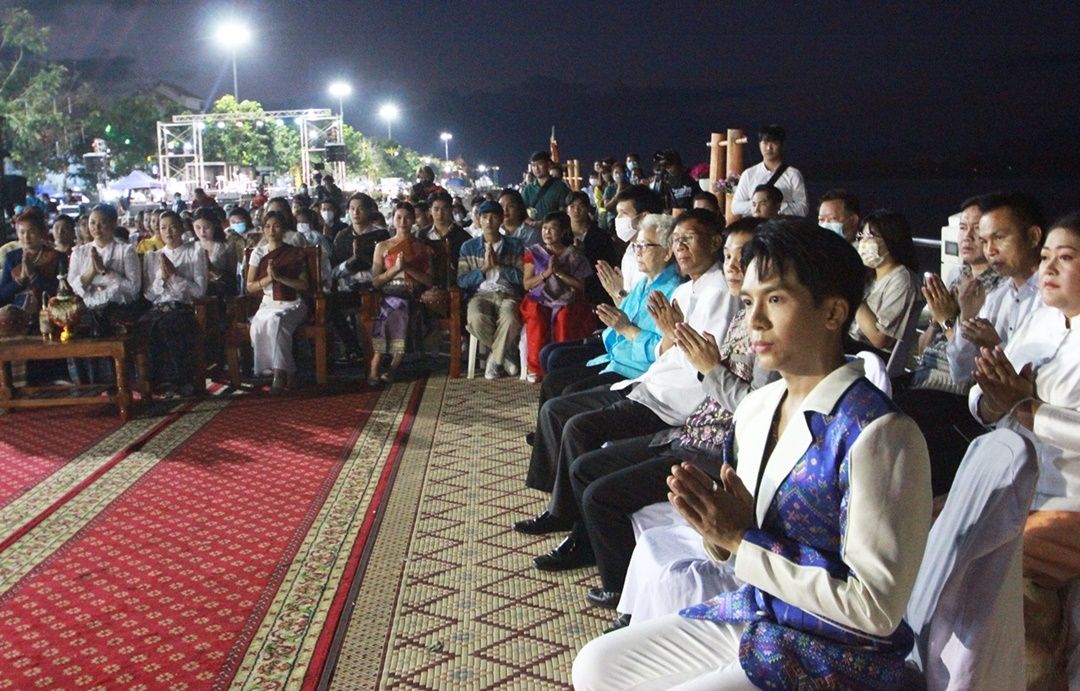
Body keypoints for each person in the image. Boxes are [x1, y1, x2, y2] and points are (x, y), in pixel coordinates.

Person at [573, 220, 932, 690]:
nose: (754, 320)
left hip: (837, 653)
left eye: (775, 300)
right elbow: (737, 548)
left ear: (833, 312)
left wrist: (742, 539)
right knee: (595, 664)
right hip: (764, 615)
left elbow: (875, 610)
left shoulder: (878, 432)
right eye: (748, 302)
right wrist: (718, 532)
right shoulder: (757, 409)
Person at [564, 218, 772, 620]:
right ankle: (595, 552)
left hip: (713, 449)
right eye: (729, 256)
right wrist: (676, 341)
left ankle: (628, 603)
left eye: (743, 257)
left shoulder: (762, 327)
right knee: (585, 465)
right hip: (689, 427)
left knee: (598, 488)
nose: (732, 265)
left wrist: (708, 367)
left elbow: (756, 410)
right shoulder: (738, 316)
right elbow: (682, 363)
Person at [519, 209, 738, 547]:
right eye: (676, 240)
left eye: (687, 239)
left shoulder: (719, 291)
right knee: (563, 401)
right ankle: (562, 507)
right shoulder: (684, 291)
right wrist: (661, 334)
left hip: (674, 401)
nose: (680, 247)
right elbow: (663, 350)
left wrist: (662, 337)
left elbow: (700, 362)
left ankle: (570, 520)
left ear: (713, 243)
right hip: (648, 383)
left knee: (577, 425)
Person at [966, 212, 1080, 686]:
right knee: (931, 524)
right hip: (1020, 486)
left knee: (995, 559)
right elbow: (984, 391)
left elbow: (1024, 404)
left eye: (1065, 258)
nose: (1047, 268)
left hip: (1070, 500)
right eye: (1046, 256)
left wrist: (1029, 409)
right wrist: (994, 401)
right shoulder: (1043, 320)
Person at [895, 196, 1005, 495]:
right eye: (963, 227)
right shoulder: (958, 277)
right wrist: (936, 321)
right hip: (925, 377)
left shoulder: (999, 288)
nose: (967, 236)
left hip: (956, 393)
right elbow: (925, 348)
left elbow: (965, 371)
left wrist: (948, 320)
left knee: (893, 421)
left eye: (976, 228)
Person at [534, 213, 681, 408]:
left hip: (635, 370)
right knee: (552, 380)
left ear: (667, 252)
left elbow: (662, 348)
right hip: (616, 355)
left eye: (644, 246)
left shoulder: (673, 291)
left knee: (565, 394)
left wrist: (626, 328)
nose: (637, 252)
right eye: (636, 246)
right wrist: (617, 295)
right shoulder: (644, 283)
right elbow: (623, 319)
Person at [945, 191, 1045, 389]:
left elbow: (1044, 381)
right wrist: (967, 317)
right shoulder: (996, 297)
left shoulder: (1053, 298)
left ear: (1033, 237)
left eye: (999, 237)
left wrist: (995, 346)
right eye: (984, 241)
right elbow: (960, 373)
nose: (990, 251)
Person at [68, 204, 144, 382]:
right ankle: (88, 383)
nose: (96, 227)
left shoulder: (125, 250)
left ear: (113, 224)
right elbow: (74, 287)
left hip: (118, 308)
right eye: (92, 223)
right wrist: (91, 272)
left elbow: (133, 289)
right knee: (76, 325)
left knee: (105, 320)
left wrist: (105, 272)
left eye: (102, 223)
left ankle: (116, 381)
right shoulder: (80, 252)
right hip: (88, 308)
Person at [519, 212, 595, 382]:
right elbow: (527, 284)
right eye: (544, 228)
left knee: (564, 318)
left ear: (563, 232)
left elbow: (580, 286)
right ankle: (535, 368)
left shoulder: (574, 255)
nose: (547, 232)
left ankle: (562, 366)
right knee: (536, 317)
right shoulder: (534, 252)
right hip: (540, 297)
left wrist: (559, 273)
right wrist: (546, 274)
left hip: (566, 298)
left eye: (552, 228)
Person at [140, 211, 208, 396]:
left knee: (170, 324)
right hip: (158, 308)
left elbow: (199, 291)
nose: (168, 232)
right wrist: (161, 278)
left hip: (182, 308)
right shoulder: (153, 257)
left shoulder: (194, 252)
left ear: (181, 228)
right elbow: (149, 295)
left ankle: (181, 380)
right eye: (163, 228)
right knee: (148, 326)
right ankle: (155, 381)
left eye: (172, 227)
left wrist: (175, 275)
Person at [457, 200, 525, 380]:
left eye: (494, 217)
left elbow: (522, 278)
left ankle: (494, 359)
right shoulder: (469, 247)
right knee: (476, 319)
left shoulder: (515, 245)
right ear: (479, 220)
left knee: (510, 319)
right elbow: (462, 281)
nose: (489, 221)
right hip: (480, 294)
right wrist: (484, 269)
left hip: (507, 294)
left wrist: (500, 266)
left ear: (501, 220)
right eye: (485, 217)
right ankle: (506, 356)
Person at [368, 202, 433, 385]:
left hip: (413, 296)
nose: (403, 222)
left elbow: (429, 280)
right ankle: (378, 363)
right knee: (395, 309)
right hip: (389, 295)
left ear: (414, 220)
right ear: (393, 220)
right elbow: (375, 281)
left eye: (407, 218)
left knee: (403, 309)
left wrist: (408, 268)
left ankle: (389, 366)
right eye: (399, 217)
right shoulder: (382, 247)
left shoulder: (422, 247)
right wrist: (395, 269)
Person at [245, 210, 310, 394]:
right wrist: (269, 278)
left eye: (276, 226)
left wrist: (280, 278)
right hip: (268, 303)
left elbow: (304, 285)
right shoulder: (258, 253)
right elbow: (250, 286)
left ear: (284, 229)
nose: (271, 230)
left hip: (292, 303)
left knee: (277, 321)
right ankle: (289, 371)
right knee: (259, 324)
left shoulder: (294, 252)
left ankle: (279, 374)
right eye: (267, 226)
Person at [849, 209, 921, 355]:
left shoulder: (902, 281)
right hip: (852, 343)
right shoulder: (870, 275)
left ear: (891, 239)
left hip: (872, 354)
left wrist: (852, 293)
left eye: (870, 236)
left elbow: (880, 339)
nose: (863, 242)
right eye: (861, 236)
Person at [730, 125, 808, 217]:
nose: (768, 148)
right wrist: (758, 204)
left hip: (782, 224)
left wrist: (775, 206)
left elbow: (803, 209)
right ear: (759, 144)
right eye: (765, 143)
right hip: (755, 225)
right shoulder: (749, 174)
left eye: (774, 143)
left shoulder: (793, 174)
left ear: (782, 145)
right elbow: (736, 207)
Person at [0, 207, 61, 309]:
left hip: (49, 309)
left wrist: (33, 276)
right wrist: (20, 280)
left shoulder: (56, 256)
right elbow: (2, 295)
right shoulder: (11, 257)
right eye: (22, 232)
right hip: (17, 311)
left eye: (31, 232)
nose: (26, 237)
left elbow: (58, 290)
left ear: (41, 232)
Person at [566, 190, 617, 306]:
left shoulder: (601, 236)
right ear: (566, 210)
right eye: (572, 206)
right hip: (569, 292)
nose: (576, 210)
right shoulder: (562, 236)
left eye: (581, 206)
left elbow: (610, 263)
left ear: (587, 208)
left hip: (596, 291)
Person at [192, 207, 237, 298]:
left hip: (219, 293)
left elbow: (232, 278)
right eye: (198, 227)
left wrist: (212, 269)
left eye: (206, 227)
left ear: (214, 225)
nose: (202, 231)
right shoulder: (190, 246)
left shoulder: (226, 247)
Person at [521, 151, 572, 219]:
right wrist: (530, 222)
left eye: (540, 164)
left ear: (548, 164)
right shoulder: (528, 189)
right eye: (533, 165)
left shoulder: (560, 187)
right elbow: (522, 211)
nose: (536, 168)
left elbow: (563, 211)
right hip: (533, 225)